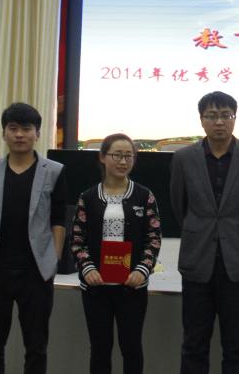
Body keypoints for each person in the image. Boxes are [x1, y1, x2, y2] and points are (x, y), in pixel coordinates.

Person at [170, 91, 239, 374]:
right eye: (212, 116)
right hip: (197, 260)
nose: (219, 122)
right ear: (201, 120)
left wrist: (234, 233)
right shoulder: (183, 158)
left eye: (226, 115)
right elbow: (179, 206)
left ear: (234, 119)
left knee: (236, 344)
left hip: (236, 262)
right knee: (194, 343)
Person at [0, 102, 68, 374]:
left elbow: (59, 218)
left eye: (26, 128)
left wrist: (53, 259)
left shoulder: (54, 170)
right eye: (12, 128)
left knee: (36, 346)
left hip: (35, 271)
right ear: (4, 133)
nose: (19, 134)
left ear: (37, 133)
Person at [71, 133, 162, 374]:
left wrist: (142, 270)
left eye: (128, 156)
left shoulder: (144, 195)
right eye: (117, 155)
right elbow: (77, 240)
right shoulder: (88, 197)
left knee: (131, 347)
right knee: (100, 348)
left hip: (132, 286)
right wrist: (87, 269)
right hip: (96, 286)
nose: (123, 162)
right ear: (103, 157)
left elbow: (153, 238)